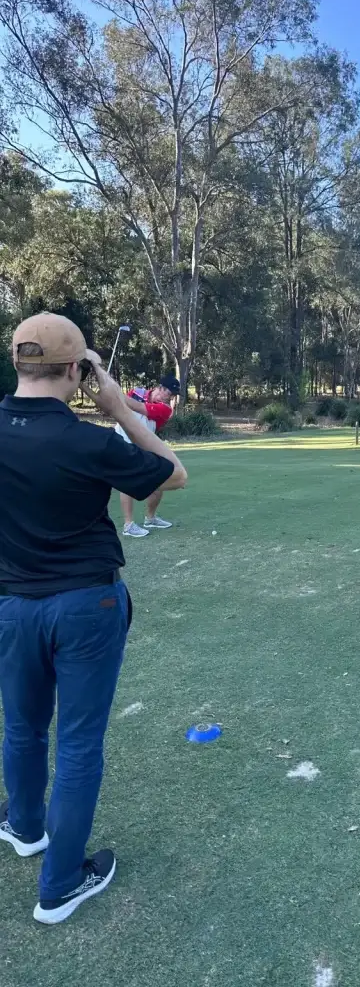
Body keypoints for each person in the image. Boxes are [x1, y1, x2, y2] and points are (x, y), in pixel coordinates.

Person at [0, 313, 187, 925]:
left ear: (18, 362)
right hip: (86, 605)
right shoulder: (90, 439)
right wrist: (119, 408)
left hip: (12, 606)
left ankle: (25, 827)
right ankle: (59, 885)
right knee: (77, 743)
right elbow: (173, 473)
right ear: (78, 371)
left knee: (22, 727)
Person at [116, 375, 180, 538]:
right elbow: (120, 409)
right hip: (121, 442)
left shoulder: (166, 409)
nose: (170, 398)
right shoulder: (136, 392)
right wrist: (114, 397)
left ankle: (150, 518)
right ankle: (128, 525)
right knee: (127, 482)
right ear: (161, 388)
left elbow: (138, 408)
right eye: (170, 393)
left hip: (143, 446)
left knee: (159, 479)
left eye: (172, 395)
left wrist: (113, 392)